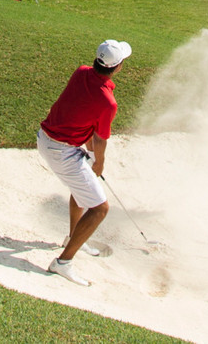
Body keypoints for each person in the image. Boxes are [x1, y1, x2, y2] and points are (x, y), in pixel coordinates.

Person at [37, 40, 132, 285]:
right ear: (118, 66)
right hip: (61, 150)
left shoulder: (81, 72)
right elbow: (99, 139)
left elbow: (84, 118)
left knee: (82, 186)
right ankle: (63, 263)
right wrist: (98, 163)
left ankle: (72, 237)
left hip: (48, 139)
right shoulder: (108, 102)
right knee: (100, 209)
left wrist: (90, 156)